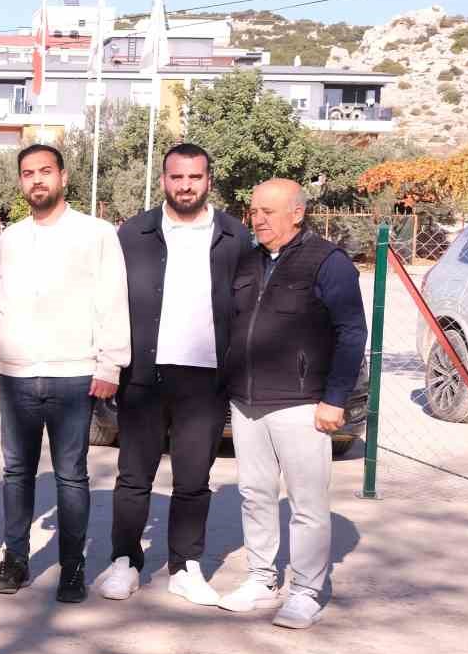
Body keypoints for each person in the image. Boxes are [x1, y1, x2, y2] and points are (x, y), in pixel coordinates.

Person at [0, 144, 129, 604]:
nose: (37, 180)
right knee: (16, 472)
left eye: (45, 171)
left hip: (74, 374)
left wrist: (110, 364)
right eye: (28, 173)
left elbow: (113, 300)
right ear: (21, 181)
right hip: (17, 375)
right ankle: (15, 559)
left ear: (63, 176)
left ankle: (72, 567)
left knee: (71, 475)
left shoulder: (96, 234)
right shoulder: (11, 239)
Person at [100, 144, 253, 605]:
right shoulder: (134, 233)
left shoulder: (233, 235)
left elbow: (245, 306)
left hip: (205, 380)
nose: (186, 186)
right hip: (143, 376)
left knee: (193, 480)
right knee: (133, 477)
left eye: (195, 177)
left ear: (209, 180)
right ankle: (124, 562)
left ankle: (185, 567)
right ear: (164, 179)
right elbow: (109, 301)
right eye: (177, 177)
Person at [220, 178, 364, 629]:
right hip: (247, 402)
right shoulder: (248, 261)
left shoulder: (328, 262)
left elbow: (351, 333)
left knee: (306, 503)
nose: (257, 219)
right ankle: (262, 579)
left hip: (303, 404)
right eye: (253, 211)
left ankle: (305, 591)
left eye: (268, 211)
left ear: (297, 213)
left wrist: (334, 399)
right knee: (254, 494)